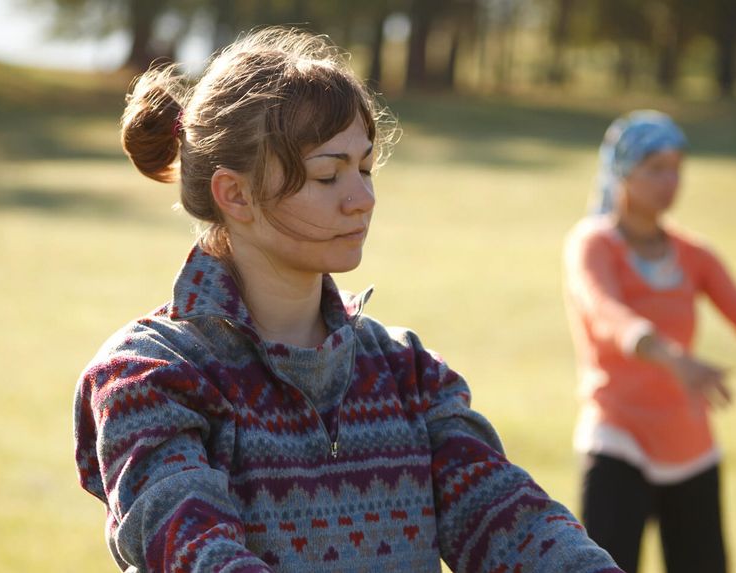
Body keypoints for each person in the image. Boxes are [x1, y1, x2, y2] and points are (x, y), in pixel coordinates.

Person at [74, 28, 623, 573]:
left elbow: (513, 523)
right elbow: (193, 551)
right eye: (327, 174)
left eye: (363, 168)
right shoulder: (150, 377)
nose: (363, 199)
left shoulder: (405, 371)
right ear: (234, 194)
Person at [562, 110, 736, 573]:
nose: (671, 181)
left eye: (677, 169)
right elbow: (607, 313)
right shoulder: (593, 244)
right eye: (656, 169)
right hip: (616, 440)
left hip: (690, 449)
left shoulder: (694, 253)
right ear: (624, 172)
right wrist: (672, 358)